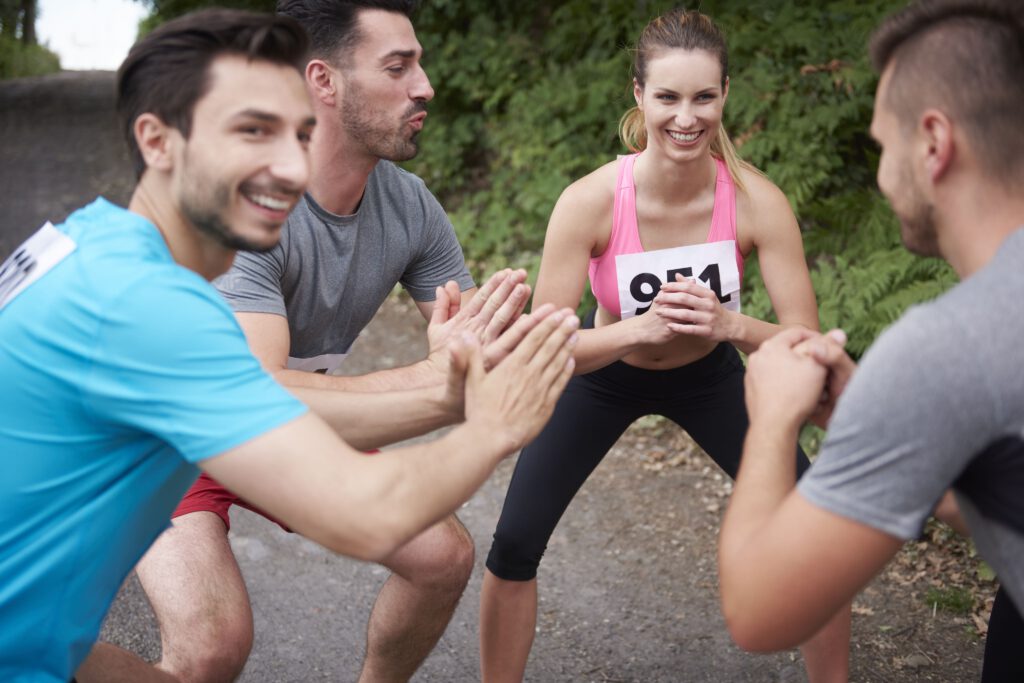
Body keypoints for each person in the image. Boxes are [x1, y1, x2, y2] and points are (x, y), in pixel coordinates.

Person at [0, 9, 578, 682]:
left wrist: (454, 389)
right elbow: (366, 512)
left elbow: (33, 622)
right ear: (158, 142)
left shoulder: (91, 245)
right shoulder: (143, 307)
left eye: (299, 133)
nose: (287, 163)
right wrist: (490, 422)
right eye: (251, 131)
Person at [131, 2, 536, 682]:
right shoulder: (246, 201)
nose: (426, 85)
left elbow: (472, 342)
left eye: (420, 63)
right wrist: (439, 382)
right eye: (398, 67)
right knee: (210, 649)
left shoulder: (409, 205)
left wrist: (502, 348)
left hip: (287, 431)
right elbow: (257, 391)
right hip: (170, 437)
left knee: (441, 557)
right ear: (323, 81)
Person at [479, 8, 850, 683]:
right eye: (669, 97)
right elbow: (544, 347)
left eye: (704, 96)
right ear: (638, 96)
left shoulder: (757, 201)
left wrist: (730, 327)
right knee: (513, 543)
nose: (687, 116)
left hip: (711, 377)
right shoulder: (589, 202)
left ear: (725, 95)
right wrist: (636, 330)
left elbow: (809, 345)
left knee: (816, 531)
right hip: (599, 376)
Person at [716, 1, 1024, 681]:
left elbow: (758, 611)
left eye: (883, 146)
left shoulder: (947, 346)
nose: (883, 174)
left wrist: (769, 418)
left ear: (934, 144)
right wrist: (879, 421)